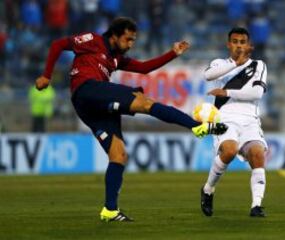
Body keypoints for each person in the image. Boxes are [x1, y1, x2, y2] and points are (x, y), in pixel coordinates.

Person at [35, 17, 227, 222]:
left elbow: (144, 68)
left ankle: (110, 210)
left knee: (119, 155)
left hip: (92, 108)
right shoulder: (93, 40)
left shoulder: (117, 58)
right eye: (127, 39)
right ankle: (197, 126)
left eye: (133, 40)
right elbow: (58, 44)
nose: (130, 44)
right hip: (86, 90)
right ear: (114, 35)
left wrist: (173, 53)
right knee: (143, 102)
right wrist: (47, 75)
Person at [200, 27, 268, 218]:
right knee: (229, 151)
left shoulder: (259, 65)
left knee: (257, 154)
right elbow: (208, 76)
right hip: (225, 117)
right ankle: (207, 190)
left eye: (242, 42)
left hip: (250, 120)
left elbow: (257, 93)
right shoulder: (219, 64)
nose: (239, 45)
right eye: (235, 42)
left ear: (249, 45)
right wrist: (234, 63)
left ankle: (256, 205)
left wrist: (227, 92)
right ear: (229, 44)